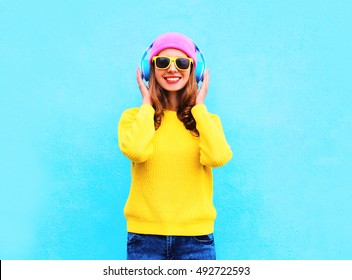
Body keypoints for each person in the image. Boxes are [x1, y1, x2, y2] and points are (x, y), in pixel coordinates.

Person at [118, 32, 232, 260]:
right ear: (150, 69)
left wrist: (199, 107)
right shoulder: (134, 117)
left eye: (181, 62)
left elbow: (218, 157)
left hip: (196, 240)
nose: (172, 69)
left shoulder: (206, 121)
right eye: (162, 62)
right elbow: (137, 151)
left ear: (194, 70)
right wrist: (147, 104)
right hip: (145, 237)